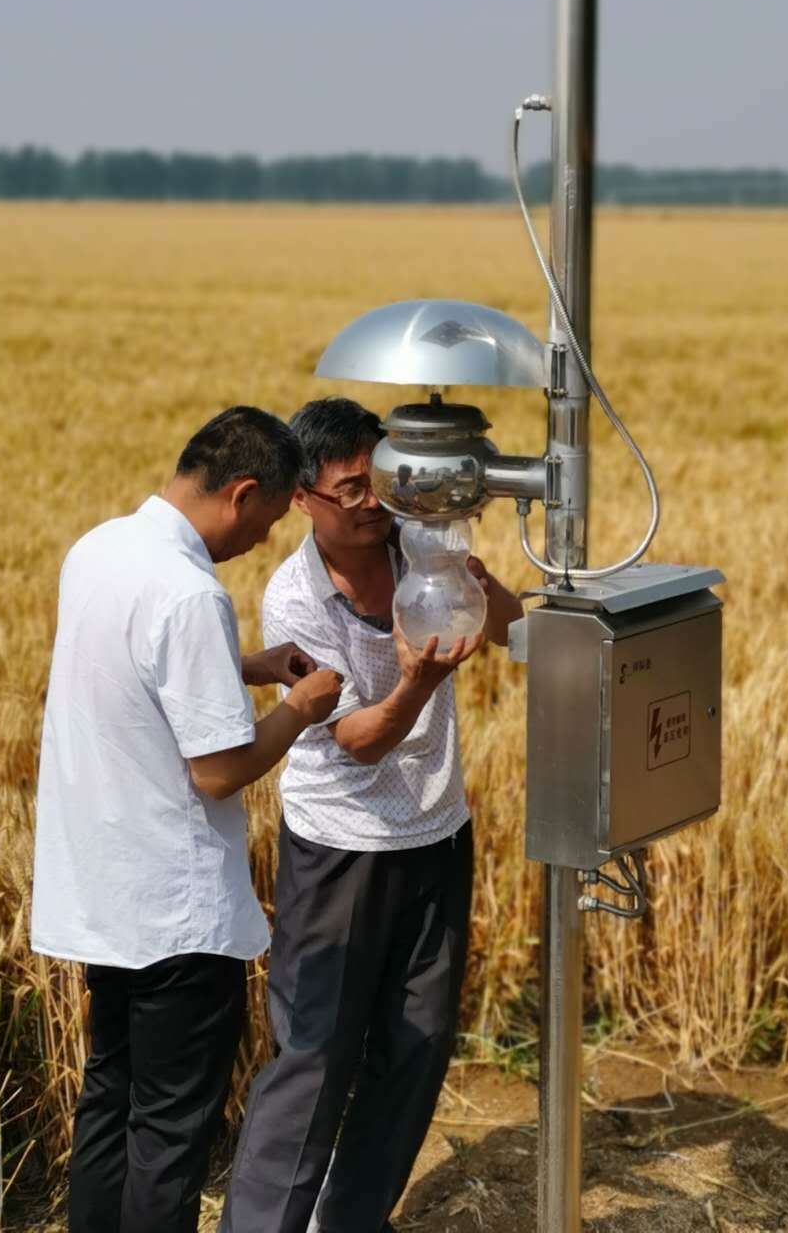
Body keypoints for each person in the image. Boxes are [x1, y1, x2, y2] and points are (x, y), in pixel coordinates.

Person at [30, 406, 342, 1233]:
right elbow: (218, 771)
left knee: (110, 1101)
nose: (265, 539)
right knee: (169, 1131)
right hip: (177, 915)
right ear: (242, 493)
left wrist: (248, 666)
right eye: (271, 519)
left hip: (102, 894)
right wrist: (302, 707)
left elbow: (132, 670)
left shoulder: (97, 549)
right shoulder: (191, 592)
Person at [220, 397, 523, 1233]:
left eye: (378, 482)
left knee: (415, 1050)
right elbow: (356, 739)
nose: (370, 503)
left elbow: (510, 626)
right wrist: (417, 684)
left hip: (435, 832)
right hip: (340, 850)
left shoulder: (423, 540)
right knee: (315, 1054)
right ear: (301, 500)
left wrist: (485, 591)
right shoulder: (295, 599)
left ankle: (347, 1219)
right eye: (350, 490)